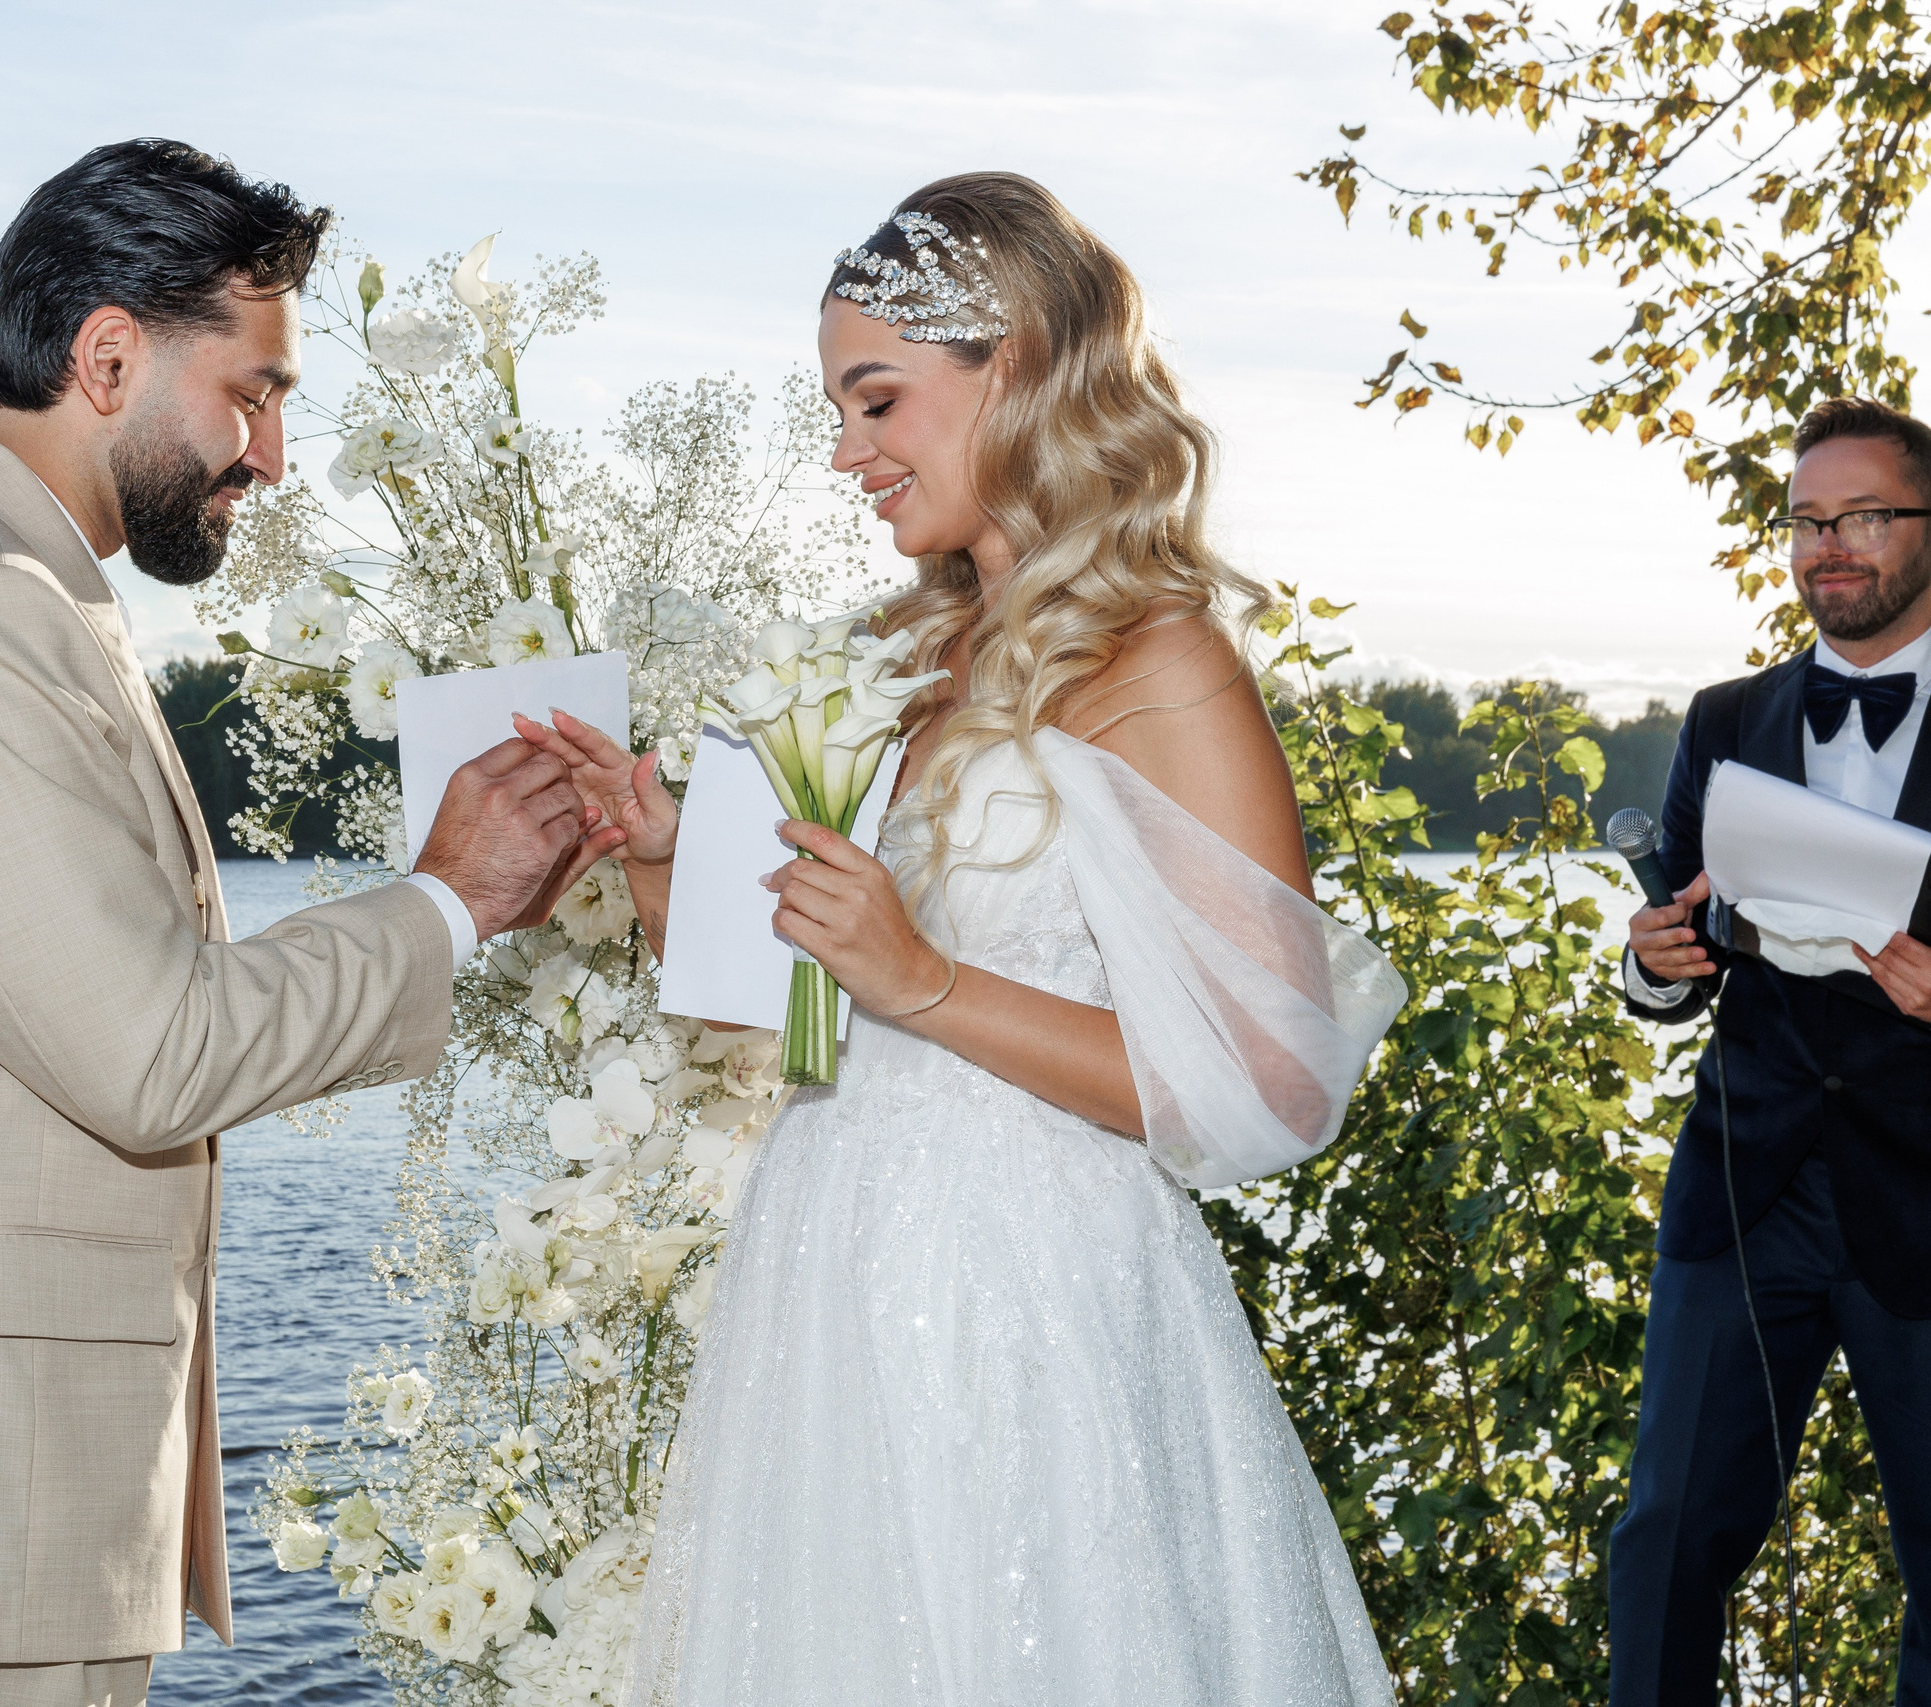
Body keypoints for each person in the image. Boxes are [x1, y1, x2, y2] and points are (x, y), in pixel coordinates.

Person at [0, 140, 614, 1706]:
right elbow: (154, 1051)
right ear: (107, 356)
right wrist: (449, 898)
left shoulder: (4, 592)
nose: (274, 455)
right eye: (256, 392)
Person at [514, 174, 1406, 1704]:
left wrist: (922, 979)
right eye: (838, 410)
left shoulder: (1161, 658)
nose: (847, 452)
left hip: (1033, 1299)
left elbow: (1276, 1086)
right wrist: (667, 860)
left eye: (877, 402)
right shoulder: (905, 658)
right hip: (828, 1271)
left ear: (1015, 362)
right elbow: (781, 1019)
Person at [1611, 396, 1931, 1704]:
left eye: (1862, 515)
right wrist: (1651, 963)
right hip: (1744, 1196)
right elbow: (1680, 949)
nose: (1828, 547)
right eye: (1807, 520)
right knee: (1666, 1547)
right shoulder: (1725, 717)